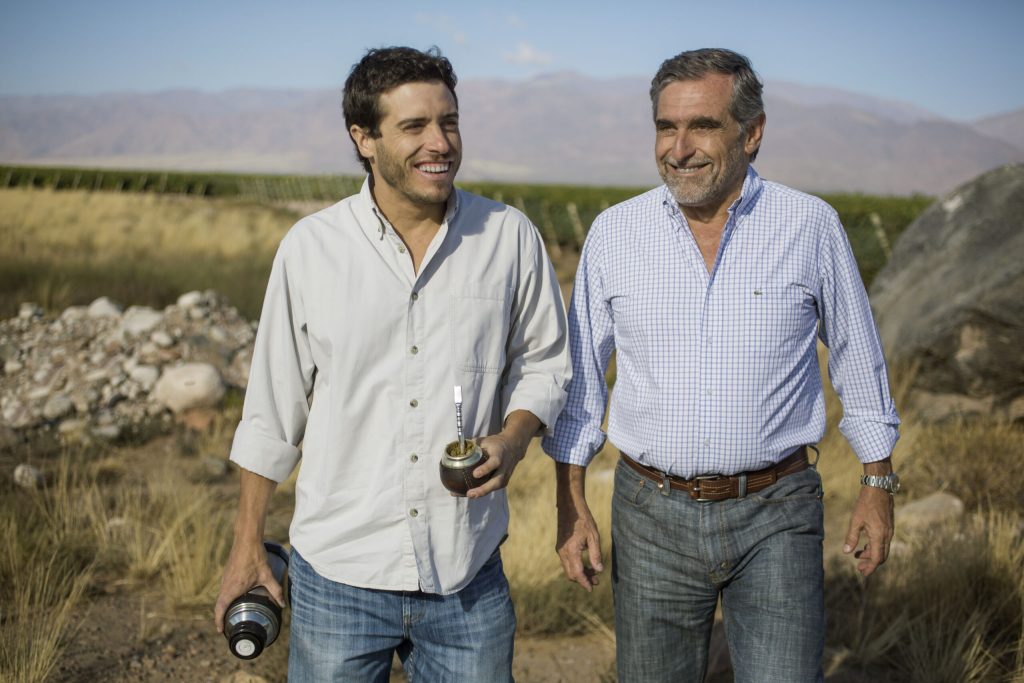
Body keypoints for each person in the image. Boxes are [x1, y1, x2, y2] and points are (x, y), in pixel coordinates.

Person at [542, 48, 901, 682]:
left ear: (753, 132)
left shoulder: (810, 227)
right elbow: (580, 387)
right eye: (664, 127)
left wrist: (878, 483)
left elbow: (858, 357)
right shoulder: (614, 234)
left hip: (777, 513)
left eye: (702, 126)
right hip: (649, 514)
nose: (678, 148)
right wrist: (571, 504)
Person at [214, 46, 570, 682]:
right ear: (364, 138)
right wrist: (247, 547)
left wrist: (514, 439)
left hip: (468, 572)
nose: (440, 142)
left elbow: (545, 363)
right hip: (338, 577)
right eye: (414, 126)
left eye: (450, 121)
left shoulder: (509, 236)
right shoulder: (310, 250)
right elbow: (271, 412)